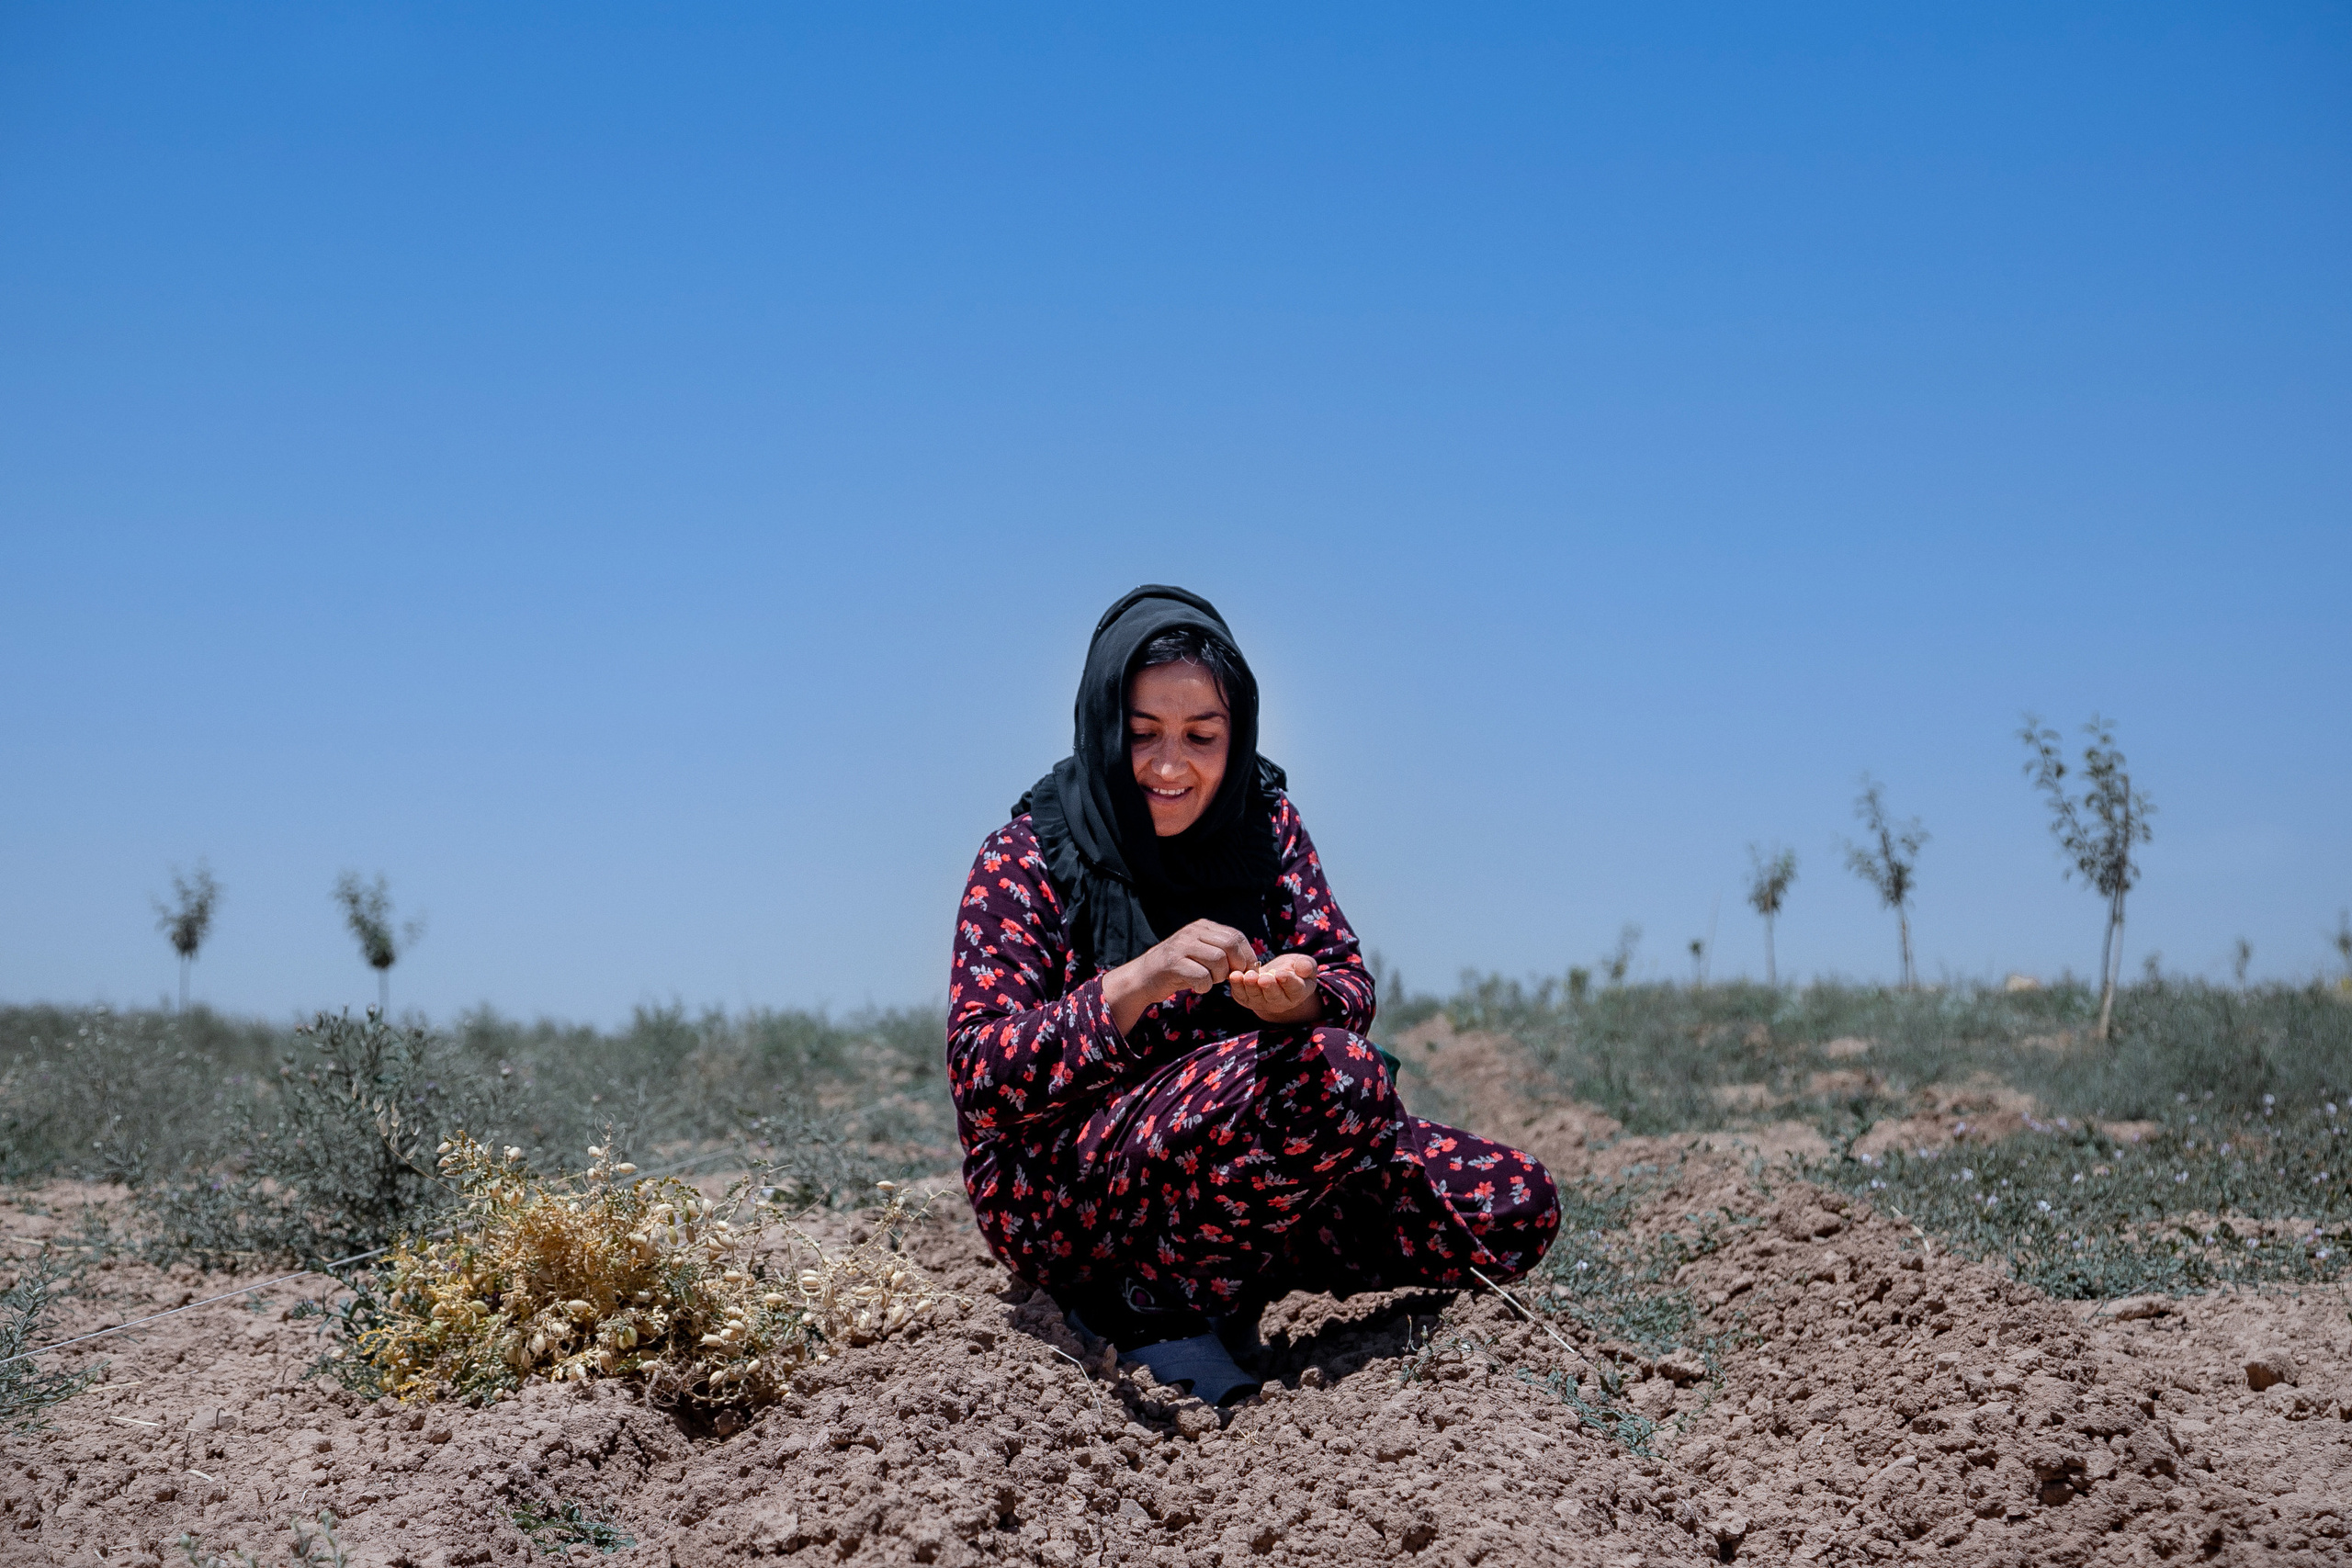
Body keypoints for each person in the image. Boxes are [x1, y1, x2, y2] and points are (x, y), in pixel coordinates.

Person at [946, 585, 1559, 1402]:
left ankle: (1219, 1288)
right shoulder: (1028, 855)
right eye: (1143, 735)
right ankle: (1149, 1309)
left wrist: (1297, 1002)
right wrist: (1135, 980)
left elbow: (1343, 977)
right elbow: (983, 1077)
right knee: (1337, 1077)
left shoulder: (1266, 829)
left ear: (1237, 737)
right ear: (1102, 726)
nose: (1172, 766)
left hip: (1253, 1170)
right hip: (1068, 1193)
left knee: (1512, 1199)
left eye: (1202, 735)